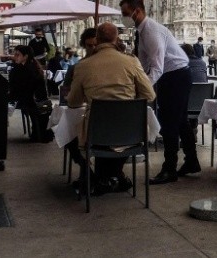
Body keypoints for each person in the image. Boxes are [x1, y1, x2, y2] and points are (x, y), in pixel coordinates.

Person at [120, 0, 201, 184]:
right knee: (180, 121)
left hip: (175, 76)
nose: (123, 17)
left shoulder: (151, 32)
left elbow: (157, 67)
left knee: (169, 123)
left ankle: (169, 169)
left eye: (125, 13)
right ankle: (191, 161)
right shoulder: (143, 31)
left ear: (137, 11)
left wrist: (143, 90)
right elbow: (143, 63)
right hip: (175, 76)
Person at [67, 23, 157, 195]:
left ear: (97, 39)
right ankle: (112, 177)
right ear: (116, 39)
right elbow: (149, 95)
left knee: (72, 137)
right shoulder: (131, 61)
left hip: (97, 134)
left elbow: (73, 102)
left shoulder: (84, 65)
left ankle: (101, 178)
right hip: (131, 134)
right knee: (117, 140)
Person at [9, 45, 52, 143]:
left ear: (25, 56)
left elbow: (18, 88)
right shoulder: (33, 67)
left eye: (17, 55)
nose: (15, 57)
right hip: (36, 100)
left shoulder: (26, 70)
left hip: (30, 100)